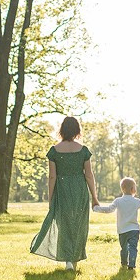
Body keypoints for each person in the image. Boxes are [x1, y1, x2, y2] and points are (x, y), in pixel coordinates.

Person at [30, 116, 99, 270]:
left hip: (62, 190)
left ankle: (68, 259)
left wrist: (51, 197)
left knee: (64, 224)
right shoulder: (83, 150)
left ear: (62, 130)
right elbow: (89, 175)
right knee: (79, 225)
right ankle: (72, 259)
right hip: (79, 189)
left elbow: (52, 176)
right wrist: (94, 196)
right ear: (77, 130)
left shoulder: (54, 151)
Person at [93, 177, 140, 269]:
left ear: (122, 189)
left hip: (122, 230)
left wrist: (96, 208)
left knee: (124, 248)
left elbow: (108, 209)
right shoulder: (136, 201)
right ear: (133, 189)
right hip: (134, 230)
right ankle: (131, 265)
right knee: (133, 247)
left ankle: (124, 263)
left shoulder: (118, 201)